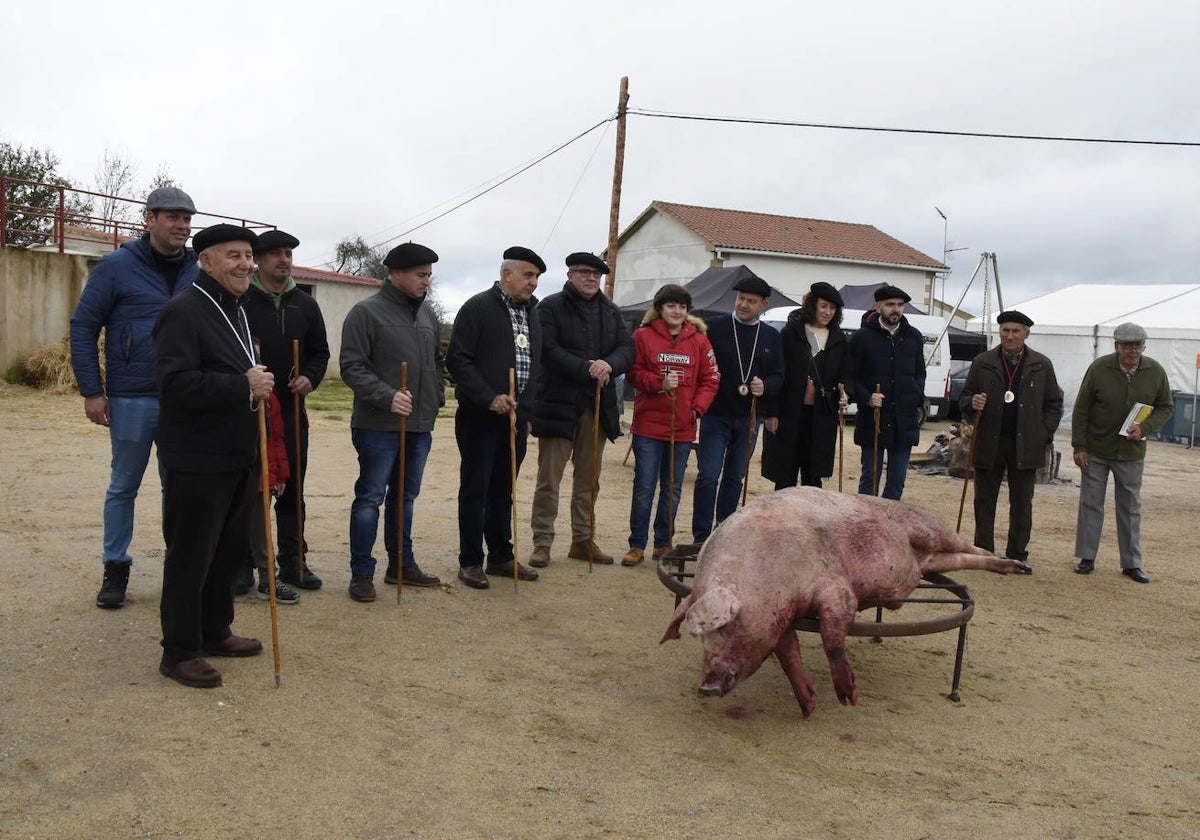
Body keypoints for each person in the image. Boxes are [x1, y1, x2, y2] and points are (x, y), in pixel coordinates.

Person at [69, 186, 199, 609]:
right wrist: (93, 390)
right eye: (173, 217)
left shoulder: (199, 269)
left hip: (184, 397)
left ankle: (179, 572)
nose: (182, 226)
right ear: (150, 219)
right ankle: (115, 569)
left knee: (177, 486)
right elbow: (84, 327)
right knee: (123, 486)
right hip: (130, 397)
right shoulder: (115, 266)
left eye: (187, 219)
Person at [154, 224, 270, 688]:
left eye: (248, 255)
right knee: (191, 555)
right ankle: (179, 650)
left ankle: (214, 629)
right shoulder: (183, 311)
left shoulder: (238, 308)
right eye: (233, 256)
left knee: (227, 551)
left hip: (236, 450)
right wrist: (243, 384)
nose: (246, 264)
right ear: (204, 260)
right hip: (198, 454)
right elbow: (175, 384)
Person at [340, 242, 444, 602]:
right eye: (420, 274)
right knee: (370, 498)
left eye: (429, 275)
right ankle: (361, 573)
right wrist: (387, 396)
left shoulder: (427, 314)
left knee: (406, 498)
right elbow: (352, 366)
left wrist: (436, 399)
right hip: (377, 426)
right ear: (396, 273)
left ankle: (402, 564)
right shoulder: (365, 313)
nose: (426, 281)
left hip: (419, 425)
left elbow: (434, 362)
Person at [446, 246, 545, 590]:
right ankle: (470, 560)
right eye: (528, 275)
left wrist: (527, 412)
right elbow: (458, 360)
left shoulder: (534, 313)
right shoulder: (478, 307)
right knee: (476, 489)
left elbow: (536, 365)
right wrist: (489, 397)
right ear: (507, 274)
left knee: (504, 490)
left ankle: (501, 555)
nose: (533, 282)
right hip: (479, 416)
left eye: (536, 277)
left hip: (516, 420)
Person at [528, 252, 635, 566]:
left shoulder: (611, 311)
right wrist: (584, 367)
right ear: (570, 275)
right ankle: (542, 543)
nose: (591, 279)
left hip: (596, 407)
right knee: (549, 479)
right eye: (585, 273)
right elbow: (546, 349)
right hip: (557, 405)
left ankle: (582, 540)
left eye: (596, 275)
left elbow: (627, 349)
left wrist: (608, 364)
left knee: (589, 480)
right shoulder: (548, 307)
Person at [243, 229, 330, 592]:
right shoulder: (242, 301)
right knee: (251, 491)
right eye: (276, 253)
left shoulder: (305, 304)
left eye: (288, 253)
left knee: (292, 489)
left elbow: (320, 352)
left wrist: (310, 377)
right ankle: (246, 568)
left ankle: (294, 563)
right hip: (249, 411)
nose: (284, 259)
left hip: (293, 411)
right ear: (258, 260)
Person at [959, 310, 1064, 574]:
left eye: (1016, 331)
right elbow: (965, 398)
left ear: (1026, 334)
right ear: (999, 333)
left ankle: (1017, 555)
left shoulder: (1041, 364)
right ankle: (984, 552)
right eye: (1005, 330)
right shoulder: (983, 361)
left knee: (1021, 502)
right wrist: (972, 403)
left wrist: (1044, 433)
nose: (1010, 335)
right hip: (989, 441)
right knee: (984, 500)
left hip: (1025, 443)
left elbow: (1054, 403)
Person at [623, 284, 720, 566]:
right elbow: (633, 372)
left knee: (673, 488)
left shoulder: (699, 341)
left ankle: (663, 543)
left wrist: (697, 409)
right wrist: (657, 383)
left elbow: (711, 378)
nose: (677, 311)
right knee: (644, 486)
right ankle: (636, 544)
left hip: (683, 426)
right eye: (671, 306)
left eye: (682, 307)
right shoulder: (642, 336)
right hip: (649, 426)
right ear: (660, 308)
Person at [1071, 322, 1173, 583]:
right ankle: (1086, 557)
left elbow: (1165, 407)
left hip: (1131, 452)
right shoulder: (1099, 368)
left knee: (1130, 507)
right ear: (1116, 346)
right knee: (1091, 503)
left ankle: (1131, 563)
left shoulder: (1155, 372)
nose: (1132, 351)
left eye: (1137, 345)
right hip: (1096, 449)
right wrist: (1079, 446)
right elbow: (1081, 409)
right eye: (1126, 345)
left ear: (1143, 347)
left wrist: (1145, 427)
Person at [690, 273, 783, 542]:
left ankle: (725, 532)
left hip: (749, 418)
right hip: (716, 415)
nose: (743, 304)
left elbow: (779, 375)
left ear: (763, 305)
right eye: (741, 299)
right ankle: (700, 535)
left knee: (734, 477)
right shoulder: (713, 327)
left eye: (751, 301)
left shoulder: (770, 336)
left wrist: (765, 386)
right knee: (708, 475)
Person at [761, 281, 851, 490]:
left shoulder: (839, 339)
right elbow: (777, 374)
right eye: (823, 306)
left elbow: (847, 374)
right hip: (789, 414)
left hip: (821, 416)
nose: (828, 312)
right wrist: (772, 412)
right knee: (784, 477)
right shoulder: (791, 333)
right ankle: (783, 522)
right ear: (812, 305)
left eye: (832, 308)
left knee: (813, 479)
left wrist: (847, 393)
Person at [847, 285, 925, 500]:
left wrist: (916, 394)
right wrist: (866, 397)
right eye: (890, 304)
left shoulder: (914, 336)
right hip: (874, 420)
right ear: (877, 306)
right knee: (870, 478)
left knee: (897, 481)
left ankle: (889, 528)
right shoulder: (861, 337)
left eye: (900, 305)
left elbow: (920, 372)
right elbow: (851, 377)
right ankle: (865, 525)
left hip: (904, 420)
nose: (896, 309)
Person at [247, 389, 299, 604]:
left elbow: (275, 437)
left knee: (261, 528)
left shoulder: (268, 393)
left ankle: (267, 578)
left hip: (260, 473)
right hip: (228, 468)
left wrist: (278, 473)